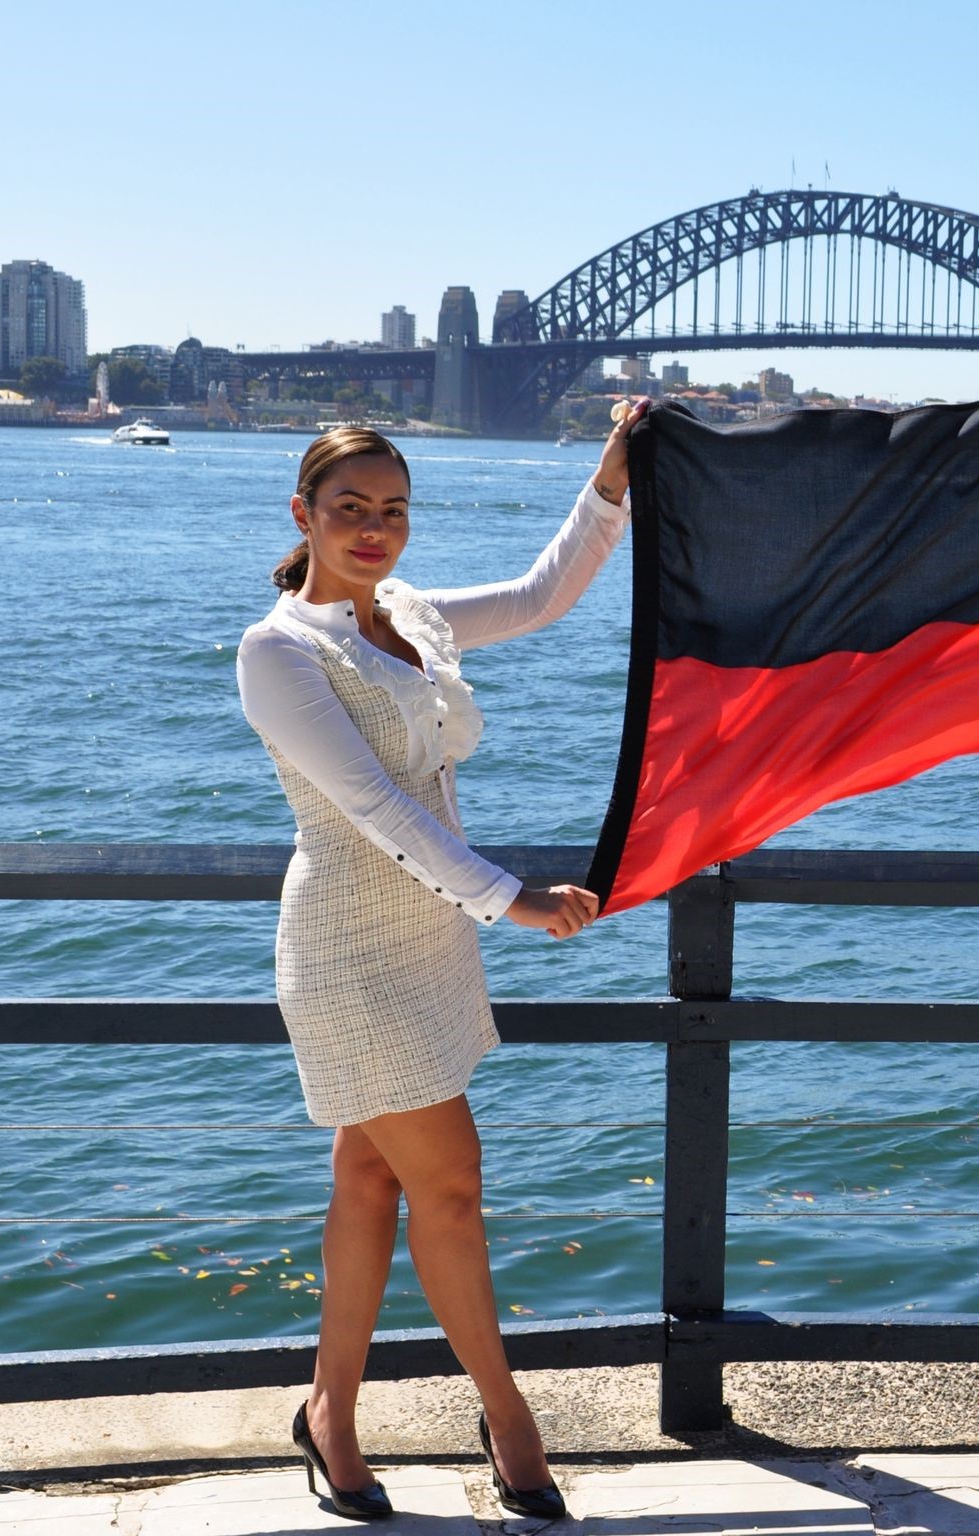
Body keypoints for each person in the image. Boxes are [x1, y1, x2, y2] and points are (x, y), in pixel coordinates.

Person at [235, 404, 643, 1522]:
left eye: (394, 510)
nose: (375, 530)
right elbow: (371, 810)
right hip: (350, 949)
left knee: (372, 1180)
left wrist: (609, 488)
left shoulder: (408, 615)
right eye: (351, 509)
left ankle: (329, 1413)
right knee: (452, 1187)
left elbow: (539, 596)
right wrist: (512, 899)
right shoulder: (280, 650)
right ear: (304, 516)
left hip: (432, 939)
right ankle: (509, 1416)